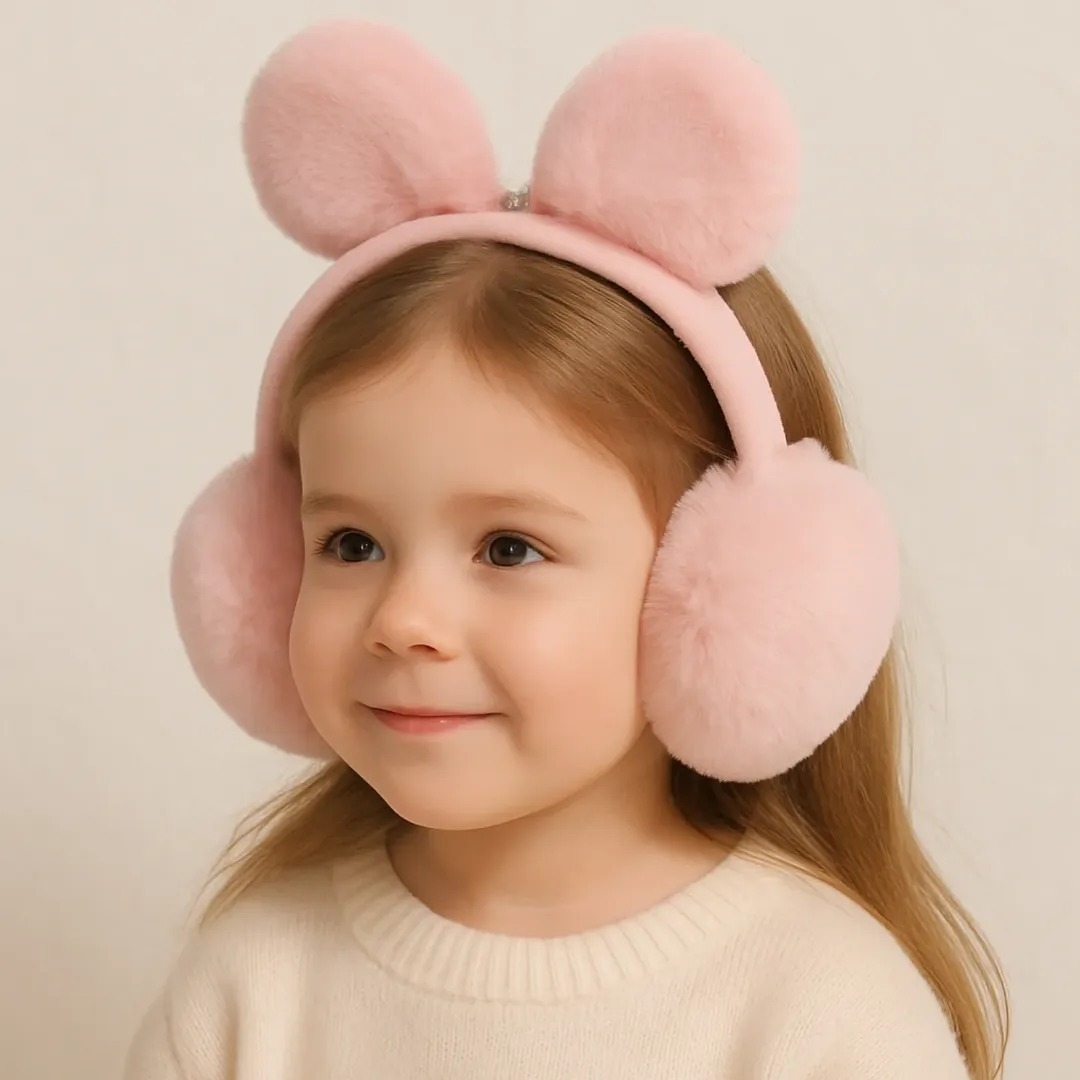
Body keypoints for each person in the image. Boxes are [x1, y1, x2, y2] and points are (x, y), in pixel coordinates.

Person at [125, 19, 1009, 1080]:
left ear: (736, 599)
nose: (404, 619)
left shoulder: (820, 1013)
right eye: (351, 541)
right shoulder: (249, 989)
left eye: (508, 549)